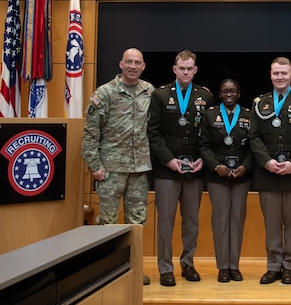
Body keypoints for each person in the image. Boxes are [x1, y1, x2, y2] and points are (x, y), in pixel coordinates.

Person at [81, 48, 155, 285]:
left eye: (138, 63)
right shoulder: (105, 93)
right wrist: (95, 165)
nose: (133, 66)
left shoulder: (149, 92)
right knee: (107, 222)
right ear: (121, 64)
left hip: (139, 170)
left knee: (137, 222)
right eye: (129, 62)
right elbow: (91, 133)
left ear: (143, 66)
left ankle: (133, 272)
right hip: (110, 169)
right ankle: (106, 274)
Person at [148, 50, 214, 287]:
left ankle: (188, 263)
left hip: (195, 168)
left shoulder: (205, 96)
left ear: (195, 70)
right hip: (168, 169)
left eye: (190, 68)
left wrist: (202, 160)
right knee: (165, 221)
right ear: (174, 69)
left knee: (192, 221)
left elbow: (209, 133)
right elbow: (153, 133)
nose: (186, 72)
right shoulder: (160, 95)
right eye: (181, 68)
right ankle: (165, 268)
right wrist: (168, 160)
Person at [248, 56, 291, 285]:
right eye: (276, 73)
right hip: (267, 173)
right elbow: (253, 136)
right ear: (270, 75)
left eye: (284, 73)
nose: (280, 77)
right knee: (272, 223)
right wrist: (266, 162)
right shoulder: (260, 103)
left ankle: (289, 267)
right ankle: (273, 266)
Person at [198, 79, 252, 283]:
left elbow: (253, 145)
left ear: (239, 93)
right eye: (225, 91)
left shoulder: (248, 115)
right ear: (220, 94)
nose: (229, 94)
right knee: (221, 221)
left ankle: (234, 266)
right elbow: (203, 145)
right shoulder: (210, 115)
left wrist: (245, 166)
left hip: (241, 176)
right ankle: (222, 267)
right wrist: (215, 166)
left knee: (237, 221)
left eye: (233, 91)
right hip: (217, 176)